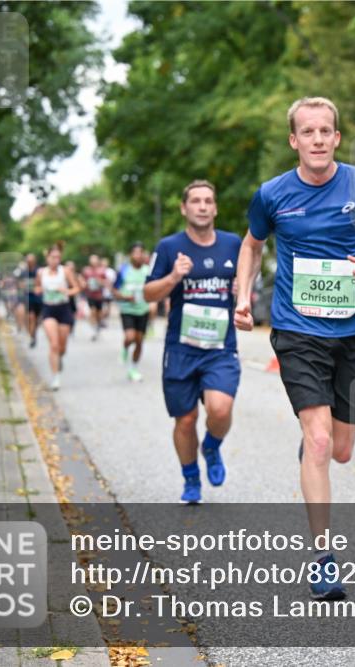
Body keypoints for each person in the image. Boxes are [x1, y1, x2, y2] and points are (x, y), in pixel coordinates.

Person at [234, 97, 355, 600]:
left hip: (354, 332)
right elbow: (252, 244)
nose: (316, 139)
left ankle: (314, 443)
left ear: (336, 138)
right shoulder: (271, 194)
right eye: (307, 131)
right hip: (298, 332)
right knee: (318, 444)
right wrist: (243, 295)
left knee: (340, 450)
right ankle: (323, 559)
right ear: (294, 140)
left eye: (325, 131)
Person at [144, 180, 242, 505]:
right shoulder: (169, 247)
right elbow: (148, 293)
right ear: (184, 208)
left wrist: (243, 298)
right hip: (181, 348)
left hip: (220, 348)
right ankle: (190, 479)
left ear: (215, 208)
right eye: (196, 201)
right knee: (185, 420)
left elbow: (244, 285)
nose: (202, 206)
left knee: (220, 408)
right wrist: (173, 277)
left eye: (208, 201)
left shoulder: (232, 244)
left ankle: (211, 446)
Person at [35, 243, 80, 390]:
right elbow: (36, 288)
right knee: (53, 344)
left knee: (62, 346)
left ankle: (60, 357)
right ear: (47, 257)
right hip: (48, 309)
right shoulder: (41, 272)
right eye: (53, 257)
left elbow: (77, 288)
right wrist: (40, 290)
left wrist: (66, 291)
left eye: (58, 257)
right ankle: (55, 378)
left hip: (63, 309)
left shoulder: (65, 271)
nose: (56, 260)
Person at [114, 242, 151, 381]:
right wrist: (125, 297)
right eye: (135, 252)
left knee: (139, 341)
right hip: (127, 309)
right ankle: (125, 349)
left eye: (141, 252)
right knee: (130, 337)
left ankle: (133, 369)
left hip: (143, 310)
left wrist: (152, 301)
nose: (138, 255)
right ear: (131, 255)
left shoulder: (148, 271)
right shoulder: (124, 270)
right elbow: (114, 290)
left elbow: (153, 288)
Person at [81, 254, 107, 341]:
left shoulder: (102, 271)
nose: (94, 262)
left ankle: (98, 325)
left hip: (99, 296)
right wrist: (85, 284)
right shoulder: (86, 270)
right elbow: (82, 281)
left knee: (99, 313)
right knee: (92, 311)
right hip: (90, 295)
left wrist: (100, 282)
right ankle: (94, 329)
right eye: (92, 260)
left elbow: (105, 282)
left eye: (95, 260)